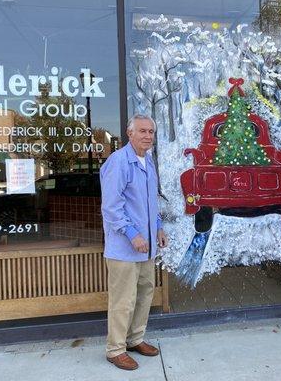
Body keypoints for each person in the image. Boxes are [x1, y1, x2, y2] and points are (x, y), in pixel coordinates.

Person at [100, 114, 168, 371]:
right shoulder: (119, 162)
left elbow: (152, 202)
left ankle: (135, 339)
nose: (148, 136)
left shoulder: (148, 162)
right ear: (130, 134)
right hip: (124, 248)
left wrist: (158, 228)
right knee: (123, 300)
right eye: (142, 131)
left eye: (151, 131)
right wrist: (133, 234)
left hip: (147, 247)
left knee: (144, 294)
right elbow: (111, 207)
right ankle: (115, 349)